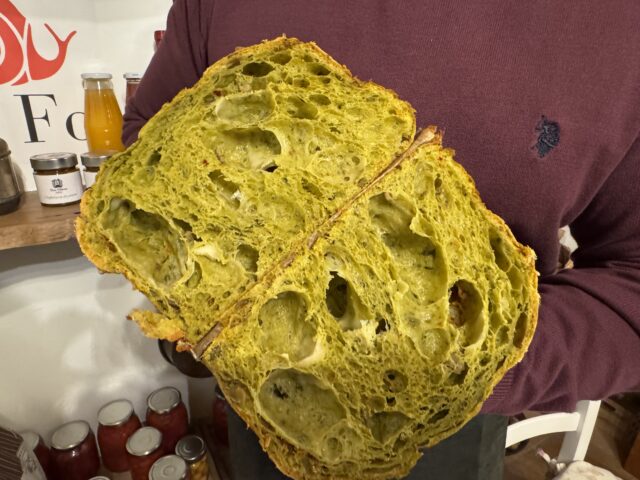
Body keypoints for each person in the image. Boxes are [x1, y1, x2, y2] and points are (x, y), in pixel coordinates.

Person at [123, 1, 640, 479]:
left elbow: (632, 278)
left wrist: (473, 367)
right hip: (262, 403)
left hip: (447, 426)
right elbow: (147, 143)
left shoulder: (619, 27)